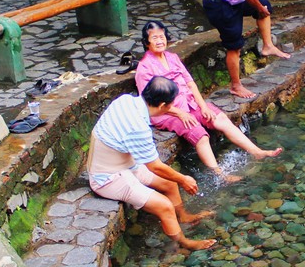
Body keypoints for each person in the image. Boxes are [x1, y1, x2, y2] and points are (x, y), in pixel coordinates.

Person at [135, 21, 282, 182]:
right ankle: (220, 175)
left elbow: (190, 83)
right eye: (154, 38)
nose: (159, 41)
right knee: (201, 136)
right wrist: (181, 114)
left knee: (220, 118)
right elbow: (150, 102)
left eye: (162, 37)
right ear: (147, 42)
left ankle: (256, 152)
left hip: (190, 103)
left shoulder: (172, 57)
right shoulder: (144, 68)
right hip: (167, 113)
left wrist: (203, 106)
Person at [87, 76, 217, 251]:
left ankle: (183, 216)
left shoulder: (126, 100)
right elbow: (155, 166)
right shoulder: (138, 127)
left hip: (125, 165)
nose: (172, 107)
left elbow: (160, 110)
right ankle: (184, 243)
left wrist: (178, 113)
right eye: (171, 105)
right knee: (165, 206)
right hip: (108, 178)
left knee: (170, 183)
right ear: (162, 105)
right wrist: (184, 179)